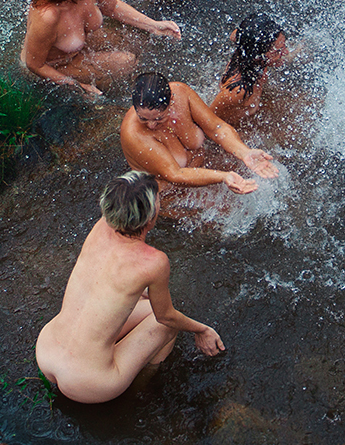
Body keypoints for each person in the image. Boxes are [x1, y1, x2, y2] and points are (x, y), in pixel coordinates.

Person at [35, 171, 225, 403]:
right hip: (90, 384)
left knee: (144, 302)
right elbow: (166, 317)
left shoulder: (101, 227)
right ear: (151, 216)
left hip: (46, 352)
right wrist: (201, 329)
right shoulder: (154, 262)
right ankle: (142, 388)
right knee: (165, 325)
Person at [21, 0, 181, 95]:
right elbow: (34, 65)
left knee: (141, 40)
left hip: (80, 45)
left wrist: (153, 25)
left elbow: (111, 6)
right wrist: (77, 86)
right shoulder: (47, 16)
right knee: (126, 63)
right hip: (54, 65)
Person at [121, 72, 279, 194]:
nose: (151, 125)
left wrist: (244, 152)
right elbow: (175, 174)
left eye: (159, 118)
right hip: (172, 194)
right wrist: (223, 177)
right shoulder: (134, 133)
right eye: (143, 118)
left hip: (202, 166)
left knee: (266, 184)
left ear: (171, 102)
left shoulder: (181, 93)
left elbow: (216, 128)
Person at [208, 12, 292, 127]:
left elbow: (236, 34)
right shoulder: (237, 91)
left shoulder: (250, 45)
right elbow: (207, 123)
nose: (286, 52)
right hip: (237, 129)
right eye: (278, 51)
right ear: (257, 56)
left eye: (284, 46)